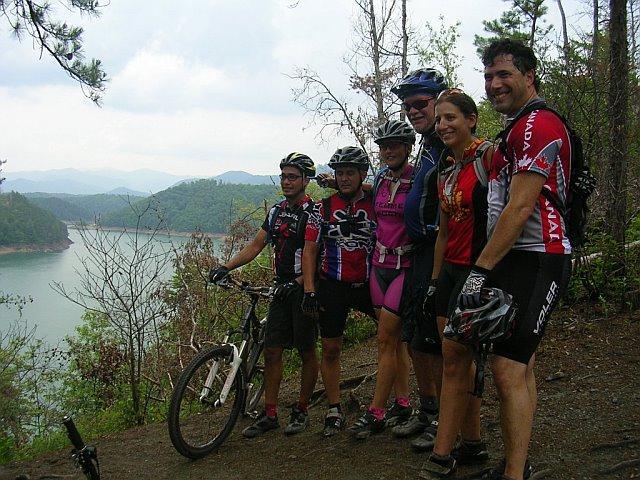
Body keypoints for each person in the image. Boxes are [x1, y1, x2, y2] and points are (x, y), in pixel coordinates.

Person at [422, 39, 573, 480]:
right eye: (488, 76)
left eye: (504, 74)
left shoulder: (537, 125)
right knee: (514, 368)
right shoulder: (515, 128)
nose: (494, 83)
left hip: (540, 255)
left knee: (509, 369)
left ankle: (514, 472)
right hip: (514, 258)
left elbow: (520, 206)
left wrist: (479, 272)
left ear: (529, 76)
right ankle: (514, 466)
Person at [209, 152, 320, 438]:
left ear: (306, 180)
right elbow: (257, 245)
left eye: (293, 176)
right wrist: (226, 266)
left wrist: (303, 286)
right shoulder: (276, 211)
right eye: (283, 176)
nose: (286, 181)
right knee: (272, 351)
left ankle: (301, 410)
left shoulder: (313, 213)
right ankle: (270, 414)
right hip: (281, 287)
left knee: (307, 350)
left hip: (304, 288)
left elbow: (314, 256)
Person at [417, 89, 494, 478]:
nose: (444, 125)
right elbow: (443, 232)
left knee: (455, 361)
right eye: (441, 119)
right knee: (458, 362)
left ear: (471, 119)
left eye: (452, 118)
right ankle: (474, 443)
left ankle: (442, 454)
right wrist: (433, 282)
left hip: (477, 269)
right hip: (448, 272)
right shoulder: (445, 171)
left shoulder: (489, 159)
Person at [388, 68, 449, 450]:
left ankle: (446, 417)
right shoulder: (427, 144)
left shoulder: (446, 141)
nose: (412, 111)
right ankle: (427, 411)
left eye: (420, 103)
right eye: (407, 105)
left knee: (437, 341)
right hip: (418, 251)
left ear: (439, 101)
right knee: (415, 337)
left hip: (439, 251)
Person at [347, 119, 417, 439]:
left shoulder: (418, 178)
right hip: (378, 266)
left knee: (385, 340)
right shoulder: (379, 178)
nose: (387, 150)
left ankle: (376, 411)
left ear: (407, 147)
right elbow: (366, 191)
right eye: (383, 146)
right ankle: (402, 402)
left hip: (405, 267)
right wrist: (336, 182)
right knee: (394, 341)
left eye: (394, 145)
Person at [301, 146, 377, 437]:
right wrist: (309, 290)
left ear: (362, 175)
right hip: (333, 284)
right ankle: (334, 408)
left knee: (392, 339)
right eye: (340, 173)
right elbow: (309, 251)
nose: (344, 178)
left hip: (370, 284)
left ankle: (397, 401)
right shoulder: (322, 209)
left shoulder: (376, 202)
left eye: (350, 173)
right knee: (331, 347)